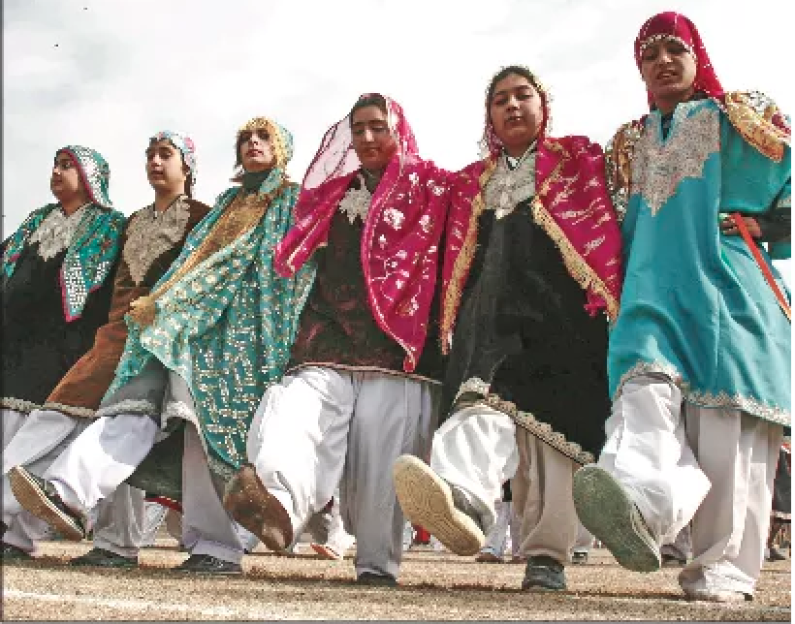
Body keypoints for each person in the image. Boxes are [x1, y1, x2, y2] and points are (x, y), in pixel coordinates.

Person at [10, 117, 314, 576]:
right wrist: (165, 310)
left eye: (264, 137)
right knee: (129, 413)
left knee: (202, 435)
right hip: (166, 333)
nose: (253, 144)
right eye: (245, 139)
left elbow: (285, 274)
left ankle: (220, 546)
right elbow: (194, 267)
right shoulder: (223, 206)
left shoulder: (290, 202)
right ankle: (75, 503)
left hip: (238, 338)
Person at [572, 11, 791, 603]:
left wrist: (768, 223)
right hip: (649, 301)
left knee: (728, 438)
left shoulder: (742, 123)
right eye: (649, 54)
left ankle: (724, 571)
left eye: (675, 49)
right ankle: (643, 505)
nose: (662, 61)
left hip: (727, 297)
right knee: (642, 399)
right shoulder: (629, 144)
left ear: (698, 56)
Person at [392, 65, 624, 592]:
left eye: (523, 96)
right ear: (489, 115)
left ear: (544, 105)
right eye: (501, 100)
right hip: (491, 316)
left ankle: (547, 559)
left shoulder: (579, 160)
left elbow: (607, 230)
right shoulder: (470, 181)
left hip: (565, 319)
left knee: (555, 445)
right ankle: (463, 498)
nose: (513, 106)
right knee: (478, 407)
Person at [222, 94, 449, 586]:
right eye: (358, 129)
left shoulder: (434, 187)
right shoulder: (330, 195)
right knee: (292, 410)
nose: (366, 138)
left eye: (377, 127)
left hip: (398, 350)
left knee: (379, 463)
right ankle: (278, 504)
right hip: (326, 337)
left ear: (399, 129)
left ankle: (376, 566)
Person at [2, 131, 208, 566]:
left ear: (187, 165)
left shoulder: (200, 219)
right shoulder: (131, 222)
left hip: (166, 342)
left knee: (130, 424)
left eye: (165, 154)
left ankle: (123, 540)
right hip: (110, 339)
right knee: (92, 419)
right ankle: (87, 534)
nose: (154, 161)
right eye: (149, 153)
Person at [1, 145, 125, 558]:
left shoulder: (110, 227)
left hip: (68, 348)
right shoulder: (35, 221)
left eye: (68, 165)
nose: (57, 171)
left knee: (41, 440)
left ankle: (21, 536)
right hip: (16, 344)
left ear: (92, 176)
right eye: (56, 164)